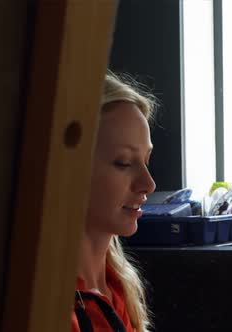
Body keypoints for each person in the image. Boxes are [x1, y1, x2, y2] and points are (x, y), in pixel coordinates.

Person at [71, 72, 157, 332]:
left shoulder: (118, 285)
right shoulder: (52, 305)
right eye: (124, 162)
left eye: (146, 160)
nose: (149, 184)